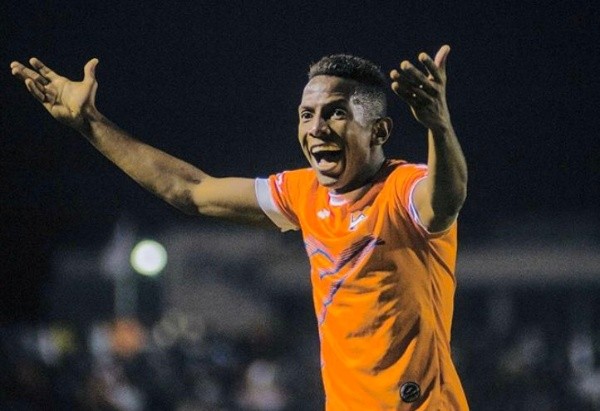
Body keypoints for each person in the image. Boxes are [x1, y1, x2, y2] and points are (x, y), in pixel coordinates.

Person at [10, 44, 469, 409]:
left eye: (336, 112)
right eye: (306, 114)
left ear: (380, 132)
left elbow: (444, 202)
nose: (316, 128)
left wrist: (439, 126)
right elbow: (189, 190)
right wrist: (89, 124)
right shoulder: (303, 192)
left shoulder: (403, 187)